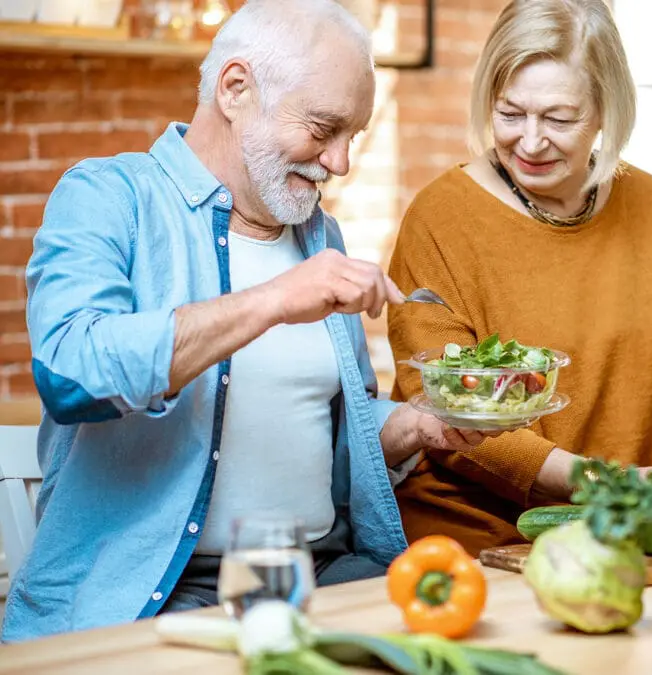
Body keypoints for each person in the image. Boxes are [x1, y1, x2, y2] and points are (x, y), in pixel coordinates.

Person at [2, 0, 489, 643]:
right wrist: (272, 300)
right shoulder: (108, 197)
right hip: (158, 595)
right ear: (235, 89)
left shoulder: (319, 235)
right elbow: (71, 374)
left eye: (353, 136)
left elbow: (318, 431)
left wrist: (414, 425)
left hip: (325, 573)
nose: (340, 162)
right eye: (324, 128)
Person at [386, 0, 652, 557]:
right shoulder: (440, 218)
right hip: (487, 545)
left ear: (607, 110)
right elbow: (448, 413)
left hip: (631, 534)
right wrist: (608, 484)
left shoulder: (650, 205)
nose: (531, 141)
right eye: (510, 114)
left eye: (559, 119)